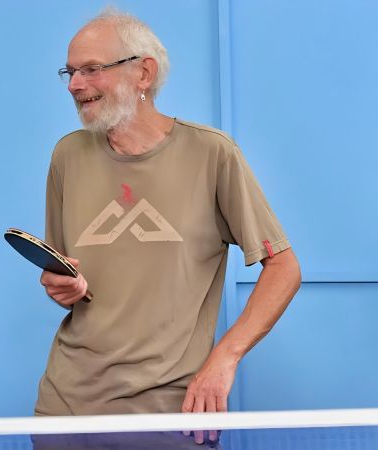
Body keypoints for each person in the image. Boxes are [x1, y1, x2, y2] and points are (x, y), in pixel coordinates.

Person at [35, 8, 301, 447]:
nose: (74, 85)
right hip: (65, 410)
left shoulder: (212, 155)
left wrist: (224, 358)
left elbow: (284, 268)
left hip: (170, 414)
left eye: (91, 69)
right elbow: (66, 275)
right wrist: (65, 286)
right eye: (70, 71)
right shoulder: (67, 155)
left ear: (144, 73)